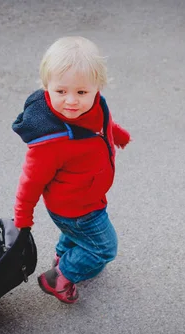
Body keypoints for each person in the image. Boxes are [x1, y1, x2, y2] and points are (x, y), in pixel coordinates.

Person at [12, 36, 131, 304]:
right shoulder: (50, 142)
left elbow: (101, 122)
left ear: (96, 88)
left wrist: (117, 134)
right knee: (104, 248)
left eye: (81, 92)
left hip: (86, 196)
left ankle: (62, 256)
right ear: (46, 87)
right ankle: (61, 276)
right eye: (61, 91)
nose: (72, 101)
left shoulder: (96, 103)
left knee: (74, 235)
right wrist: (22, 219)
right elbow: (29, 182)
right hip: (77, 208)